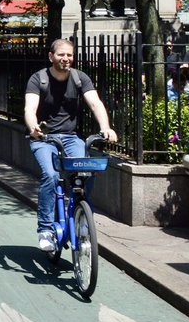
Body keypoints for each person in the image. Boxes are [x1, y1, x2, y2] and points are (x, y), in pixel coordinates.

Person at [23, 38, 118, 252]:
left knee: (86, 172)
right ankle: (45, 229)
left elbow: (95, 103)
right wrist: (33, 127)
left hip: (70, 137)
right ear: (51, 56)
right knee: (51, 175)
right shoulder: (38, 79)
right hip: (44, 138)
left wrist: (106, 128)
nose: (66, 58)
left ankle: (79, 215)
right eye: (61, 55)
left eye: (69, 55)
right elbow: (30, 109)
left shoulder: (79, 78)